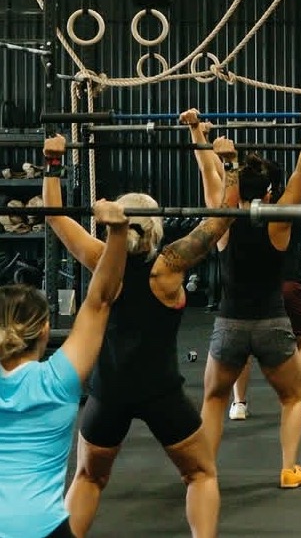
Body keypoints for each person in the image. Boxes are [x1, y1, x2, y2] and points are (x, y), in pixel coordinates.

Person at [41, 134, 237, 538]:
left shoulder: (100, 259)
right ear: (155, 229)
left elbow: (55, 216)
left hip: (107, 393)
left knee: (89, 478)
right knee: (200, 474)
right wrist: (229, 165)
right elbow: (223, 217)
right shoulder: (169, 268)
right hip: (161, 392)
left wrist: (52, 163)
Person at [199, 108, 301, 490]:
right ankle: (289, 470)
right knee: (292, 398)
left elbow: (209, 175)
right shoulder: (279, 221)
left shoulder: (223, 221)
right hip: (272, 324)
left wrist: (199, 136)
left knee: (214, 399)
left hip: (229, 324)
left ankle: (205, 473)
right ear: (269, 192)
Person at [0, 199, 128, 538]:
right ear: (45, 330)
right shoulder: (58, 380)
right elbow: (101, 300)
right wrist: (118, 231)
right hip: (42, 528)